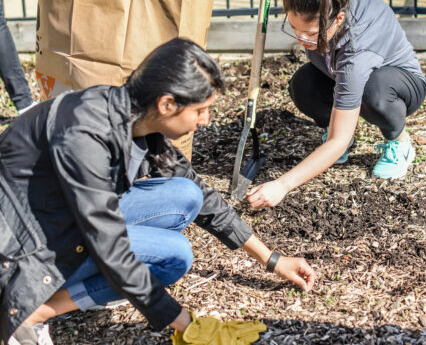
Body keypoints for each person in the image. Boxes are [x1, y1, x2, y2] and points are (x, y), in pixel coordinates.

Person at [1, 38, 316, 345]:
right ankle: (32, 313)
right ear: (167, 104)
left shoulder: (130, 116)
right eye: (201, 110)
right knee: (173, 256)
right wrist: (187, 324)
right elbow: (111, 248)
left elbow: (201, 194)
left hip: (56, 217)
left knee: (186, 195)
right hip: (20, 251)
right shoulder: (85, 136)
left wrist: (272, 259)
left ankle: (75, 293)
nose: (206, 121)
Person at [247, 0, 426, 209]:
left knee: (371, 95)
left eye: (308, 33)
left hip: (397, 83)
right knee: (303, 86)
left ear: (338, 19)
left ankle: (399, 141)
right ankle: (342, 122)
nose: (301, 39)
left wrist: (282, 184)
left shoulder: (357, 51)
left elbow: (337, 141)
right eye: (294, 29)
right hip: (339, 72)